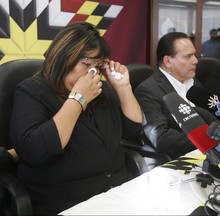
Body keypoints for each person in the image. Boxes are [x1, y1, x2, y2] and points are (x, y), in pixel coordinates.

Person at [10, 22, 143, 215]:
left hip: (116, 193)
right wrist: (78, 100)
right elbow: (35, 151)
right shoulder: (31, 91)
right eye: (87, 64)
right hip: (70, 202)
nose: (93, 73)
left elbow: (133, 130)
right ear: (64, 56)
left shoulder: (100, 91)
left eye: (98, 66)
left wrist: (123, 88)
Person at [134, 32, 202, 160]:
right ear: (168, 61)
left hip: (203, 154)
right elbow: (161, 139)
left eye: (194, 55)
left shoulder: (194, 83)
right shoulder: (148, 90)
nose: (195, 61)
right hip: (172, 160)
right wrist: (204, 136)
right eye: (188, 56)